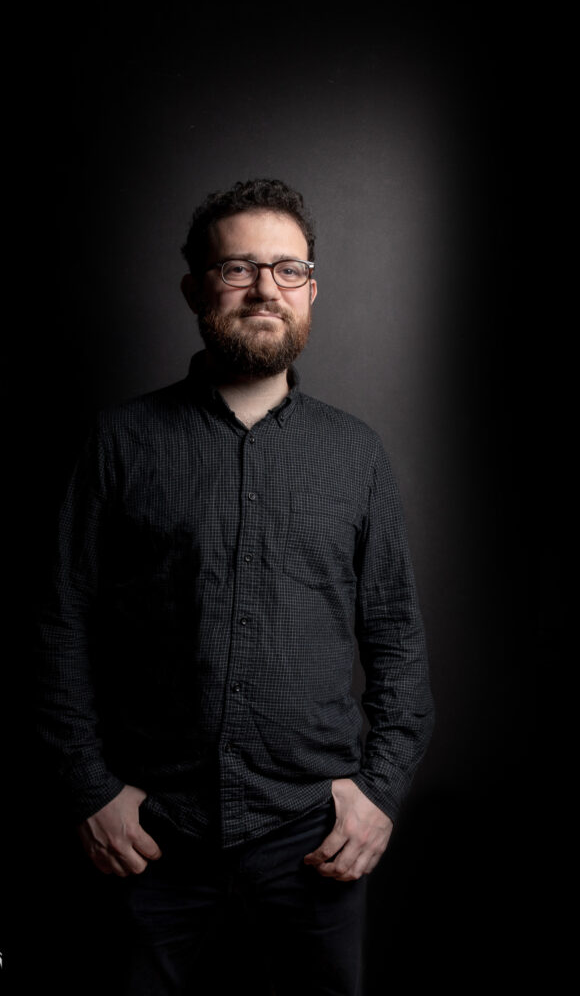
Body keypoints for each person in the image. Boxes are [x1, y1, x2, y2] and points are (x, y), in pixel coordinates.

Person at [37, 179, 434, 995]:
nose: (265, 290)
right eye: (239, 268)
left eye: (288, 270)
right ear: (194, 287)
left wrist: (379, 794)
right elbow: (59, 624)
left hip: (314, 841)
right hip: (150, 839)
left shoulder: (355, 455)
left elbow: (396, 639)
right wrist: (92, 791)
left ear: (312, 290)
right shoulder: (120, 442)